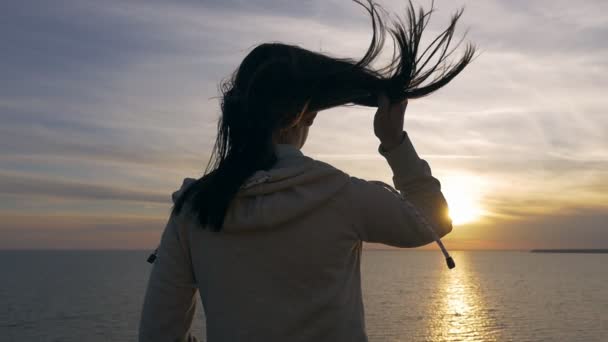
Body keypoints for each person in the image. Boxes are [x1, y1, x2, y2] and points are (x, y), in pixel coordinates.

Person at [139, 1, 475, 341]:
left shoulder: (193, 210)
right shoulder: (342, 196)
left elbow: (157, 333)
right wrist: (394, 142)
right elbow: (434, 219)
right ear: (304, 115)